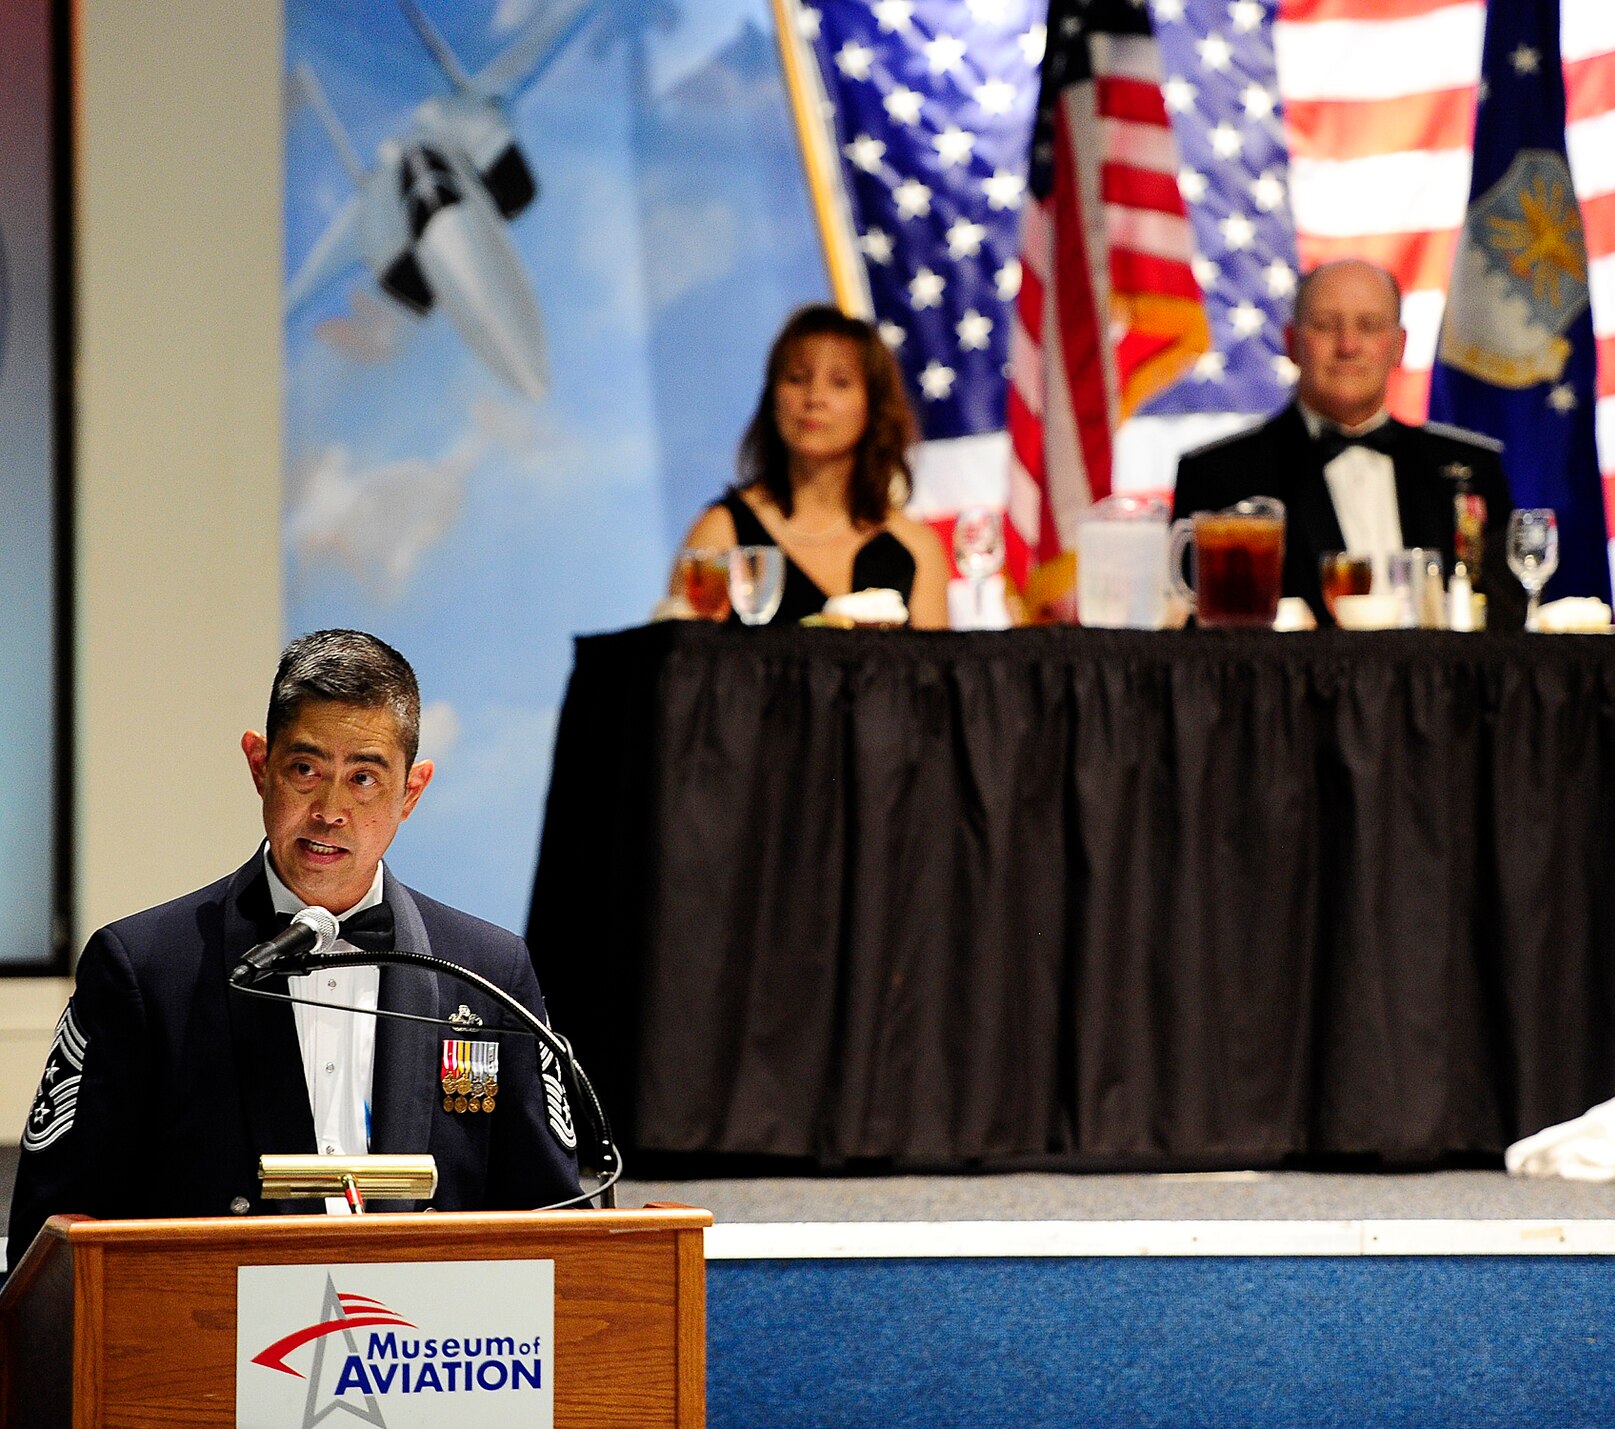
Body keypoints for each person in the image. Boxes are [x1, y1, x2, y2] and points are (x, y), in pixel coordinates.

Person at [6, 631, 578, 1271]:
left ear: (411, 792)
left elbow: (559, 1230)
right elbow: (48, 1242)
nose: (330, 810)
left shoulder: (488, 974)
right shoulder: (142, 970)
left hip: (431, 1360)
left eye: (363, 778)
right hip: (206, 1352)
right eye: (306, 770)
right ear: (259, 765)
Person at [1173, 258, 1524, 630]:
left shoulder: (1472, 467)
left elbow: (1509, 626)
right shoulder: (1219, 475)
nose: (1348, 345)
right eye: (1326, 325)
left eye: (1369, 326)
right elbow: (1202, 649)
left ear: (1399, 346)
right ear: (1291, 343)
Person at [674, 305, 951, 628]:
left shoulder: (915, 548)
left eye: (840, 383)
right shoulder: (723, 532)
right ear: (772, 398)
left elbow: (934, 674)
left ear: (874, 407)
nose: (814, 397)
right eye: (797, 379)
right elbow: (683, 666)